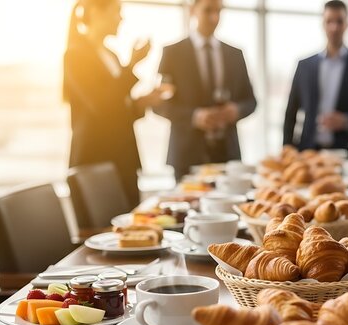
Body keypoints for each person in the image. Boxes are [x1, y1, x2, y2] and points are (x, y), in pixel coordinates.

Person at [64, 0, 164, 206]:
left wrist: (140, 103)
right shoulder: (75, 56)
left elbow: (118, 111)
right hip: (96, 162)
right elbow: (101, 107)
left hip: (123, 159)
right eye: (117, 12)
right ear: (96, 13)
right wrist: (133, 64)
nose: (121, 18)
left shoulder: (111, 54)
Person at [154, 0, 257, 181]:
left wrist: (236, 110)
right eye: (208, 10)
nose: (214, 18)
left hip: (227, 155)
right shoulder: (172, 53)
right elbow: (159, 105)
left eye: (218, 11)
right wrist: (195, 116)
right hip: (187, 156)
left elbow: (250, 101)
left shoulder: (235, 54)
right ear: (193, 10)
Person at [283, 0, 348, 151]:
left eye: (339, 21)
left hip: (347, 152)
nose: (334, 27)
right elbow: (291, 111)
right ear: (322, 24)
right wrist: (287, 148)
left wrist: (347, 120)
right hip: (309, 151)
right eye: (329, 21)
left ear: (347, 24)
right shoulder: (304, 66)